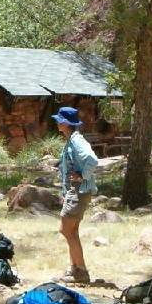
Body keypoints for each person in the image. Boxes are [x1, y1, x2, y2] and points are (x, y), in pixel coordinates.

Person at [52, 106, 98, 284]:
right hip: (76, 191)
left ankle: (81, 271)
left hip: (79, 190)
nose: (57, 122)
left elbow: (92, 159)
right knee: (72, 231)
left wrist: (82, 175)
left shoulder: (77, 141)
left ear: (65, 123)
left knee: (65, 229)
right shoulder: (72, 139)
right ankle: (75, 269)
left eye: (59, 120)